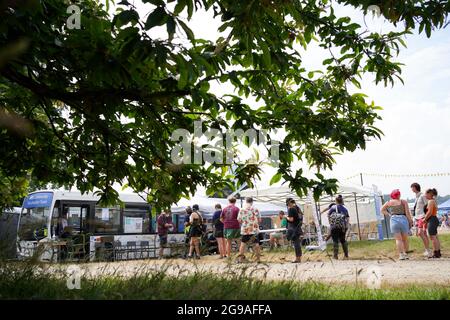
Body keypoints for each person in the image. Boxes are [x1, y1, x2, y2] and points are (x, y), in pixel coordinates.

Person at [381, 189, 413, 260]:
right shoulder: (403, 202)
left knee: (398, 239)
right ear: (399, 195)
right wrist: (410, 221)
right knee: (405, 239)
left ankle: (401, 255)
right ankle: (405, 254)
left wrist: (389, 214)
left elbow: (382, 209)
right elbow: (407, 213)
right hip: (403, 219)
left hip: (393, 220)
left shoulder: (389, 202)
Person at [237, 197, 261, 263]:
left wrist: (245, 222)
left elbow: (239, 220)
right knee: (256, 243)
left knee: (243, 244)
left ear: (246, 201)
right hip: (254, 229)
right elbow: (259, 220)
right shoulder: (256, 209)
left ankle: (241, 259)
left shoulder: (242, 209)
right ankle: (258, 258)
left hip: (245, 229)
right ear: (252, 202)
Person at [411, 183, 432, 257]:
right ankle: (427, 250)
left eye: (412, 187)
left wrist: (426, 217)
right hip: (417, 217)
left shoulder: (422, 195)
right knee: (422, 233)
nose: (411, 189)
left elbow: (428, 205)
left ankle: (428, 250)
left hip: (422, 217)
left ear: (415, 187)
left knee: (421, 233)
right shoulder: (416, 196)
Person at [327, 195, 350, 260]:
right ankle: (346, 255)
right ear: (342, 201)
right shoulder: (345, 209)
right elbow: (347, 218)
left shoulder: (333, 208)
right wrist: (346, 226)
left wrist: (330, 223)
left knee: (335, 241)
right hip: (342, 227)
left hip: (334, 226)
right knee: (343, 240)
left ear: (336, 201)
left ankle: (335, 256)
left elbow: (328, 215)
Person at [423, 188, 441, 259]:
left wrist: (425, 219)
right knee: (435, 237)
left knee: (432, 237)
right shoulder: (434, 201)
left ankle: (435, 253)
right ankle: (438, 252)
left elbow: (429, 212)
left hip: (432, 219)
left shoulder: (430, 201)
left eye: (426, 194)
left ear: (430, 194)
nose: (425, 195)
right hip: (434, 219)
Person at [286, 198, 303, 263]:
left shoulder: (291, 209)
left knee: (296, 243)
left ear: (289, 203)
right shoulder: (297, 208)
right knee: (297, 243)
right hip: (298, 227)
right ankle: (299, 258)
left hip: (293, 228)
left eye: (287, 204)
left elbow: (291, 219)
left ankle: (297, 259)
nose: (287, 205)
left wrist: (286, 217)